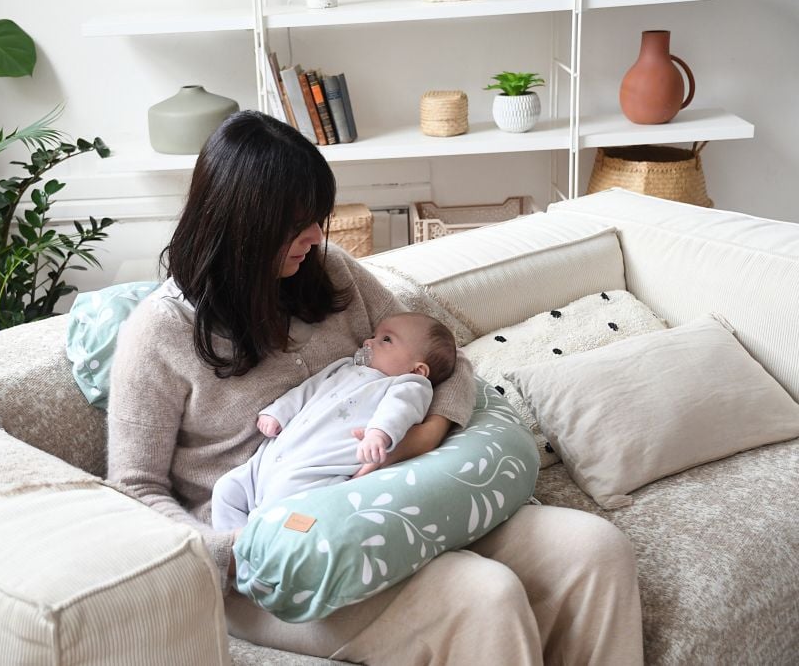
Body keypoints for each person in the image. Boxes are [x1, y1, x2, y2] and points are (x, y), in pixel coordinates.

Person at [108, 110, 644, 664]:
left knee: (595, 549)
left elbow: (445, 359)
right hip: (276, 552)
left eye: (317, 218)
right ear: (243, 225)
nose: (317, 236)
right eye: (297, 224)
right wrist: (236, 552)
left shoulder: (331, 272)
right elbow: (134, 488)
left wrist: (427, 435)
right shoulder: (159, 332)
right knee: (482, 595)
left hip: (389, 497)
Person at [210, 312, 457, 531]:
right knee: (226, 490)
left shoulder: (409, 385)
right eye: (374, 335)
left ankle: (256, 549)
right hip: (269, 458)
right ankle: (235, 547)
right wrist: (279, 412)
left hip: (315, 470)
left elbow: (398, 410)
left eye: (386, 340)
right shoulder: (345, 367)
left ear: (417, 370)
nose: (368, 342)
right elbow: (309, 389)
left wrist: (378, 434)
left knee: (276, 511)